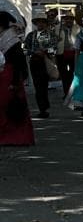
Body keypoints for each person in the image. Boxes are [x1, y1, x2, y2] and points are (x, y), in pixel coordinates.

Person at [0, 12, 34, 145]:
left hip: (10, 76)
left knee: (10, 106)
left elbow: (18, 62)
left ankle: (16, 137)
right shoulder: (4, 37)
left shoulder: (11, 40)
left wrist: (14, 82)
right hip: (4, 75)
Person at [23, 17, 54, 118]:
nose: (40, 24)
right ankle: (42, 108)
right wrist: (34, 52)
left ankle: (44, 107)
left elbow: (54, 49)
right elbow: (24, 49)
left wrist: (46, 52)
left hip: (45, 62)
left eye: (43, 22)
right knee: (37, 86)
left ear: (46, 24)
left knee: (44, 85)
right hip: (34, 62)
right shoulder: (31, 35)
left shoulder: (50, 35)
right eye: (39, 22)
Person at [55, 13, 78, 100]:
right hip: (61, 53)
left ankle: (72, 92)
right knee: (64, 75)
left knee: (73, 74)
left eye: (70, 19)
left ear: (73, 20)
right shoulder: (58, 28)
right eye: (67, 19)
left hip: (74, 53)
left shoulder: (77, 28)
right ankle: (66, 93)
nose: (69, 20)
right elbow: (54, 39)